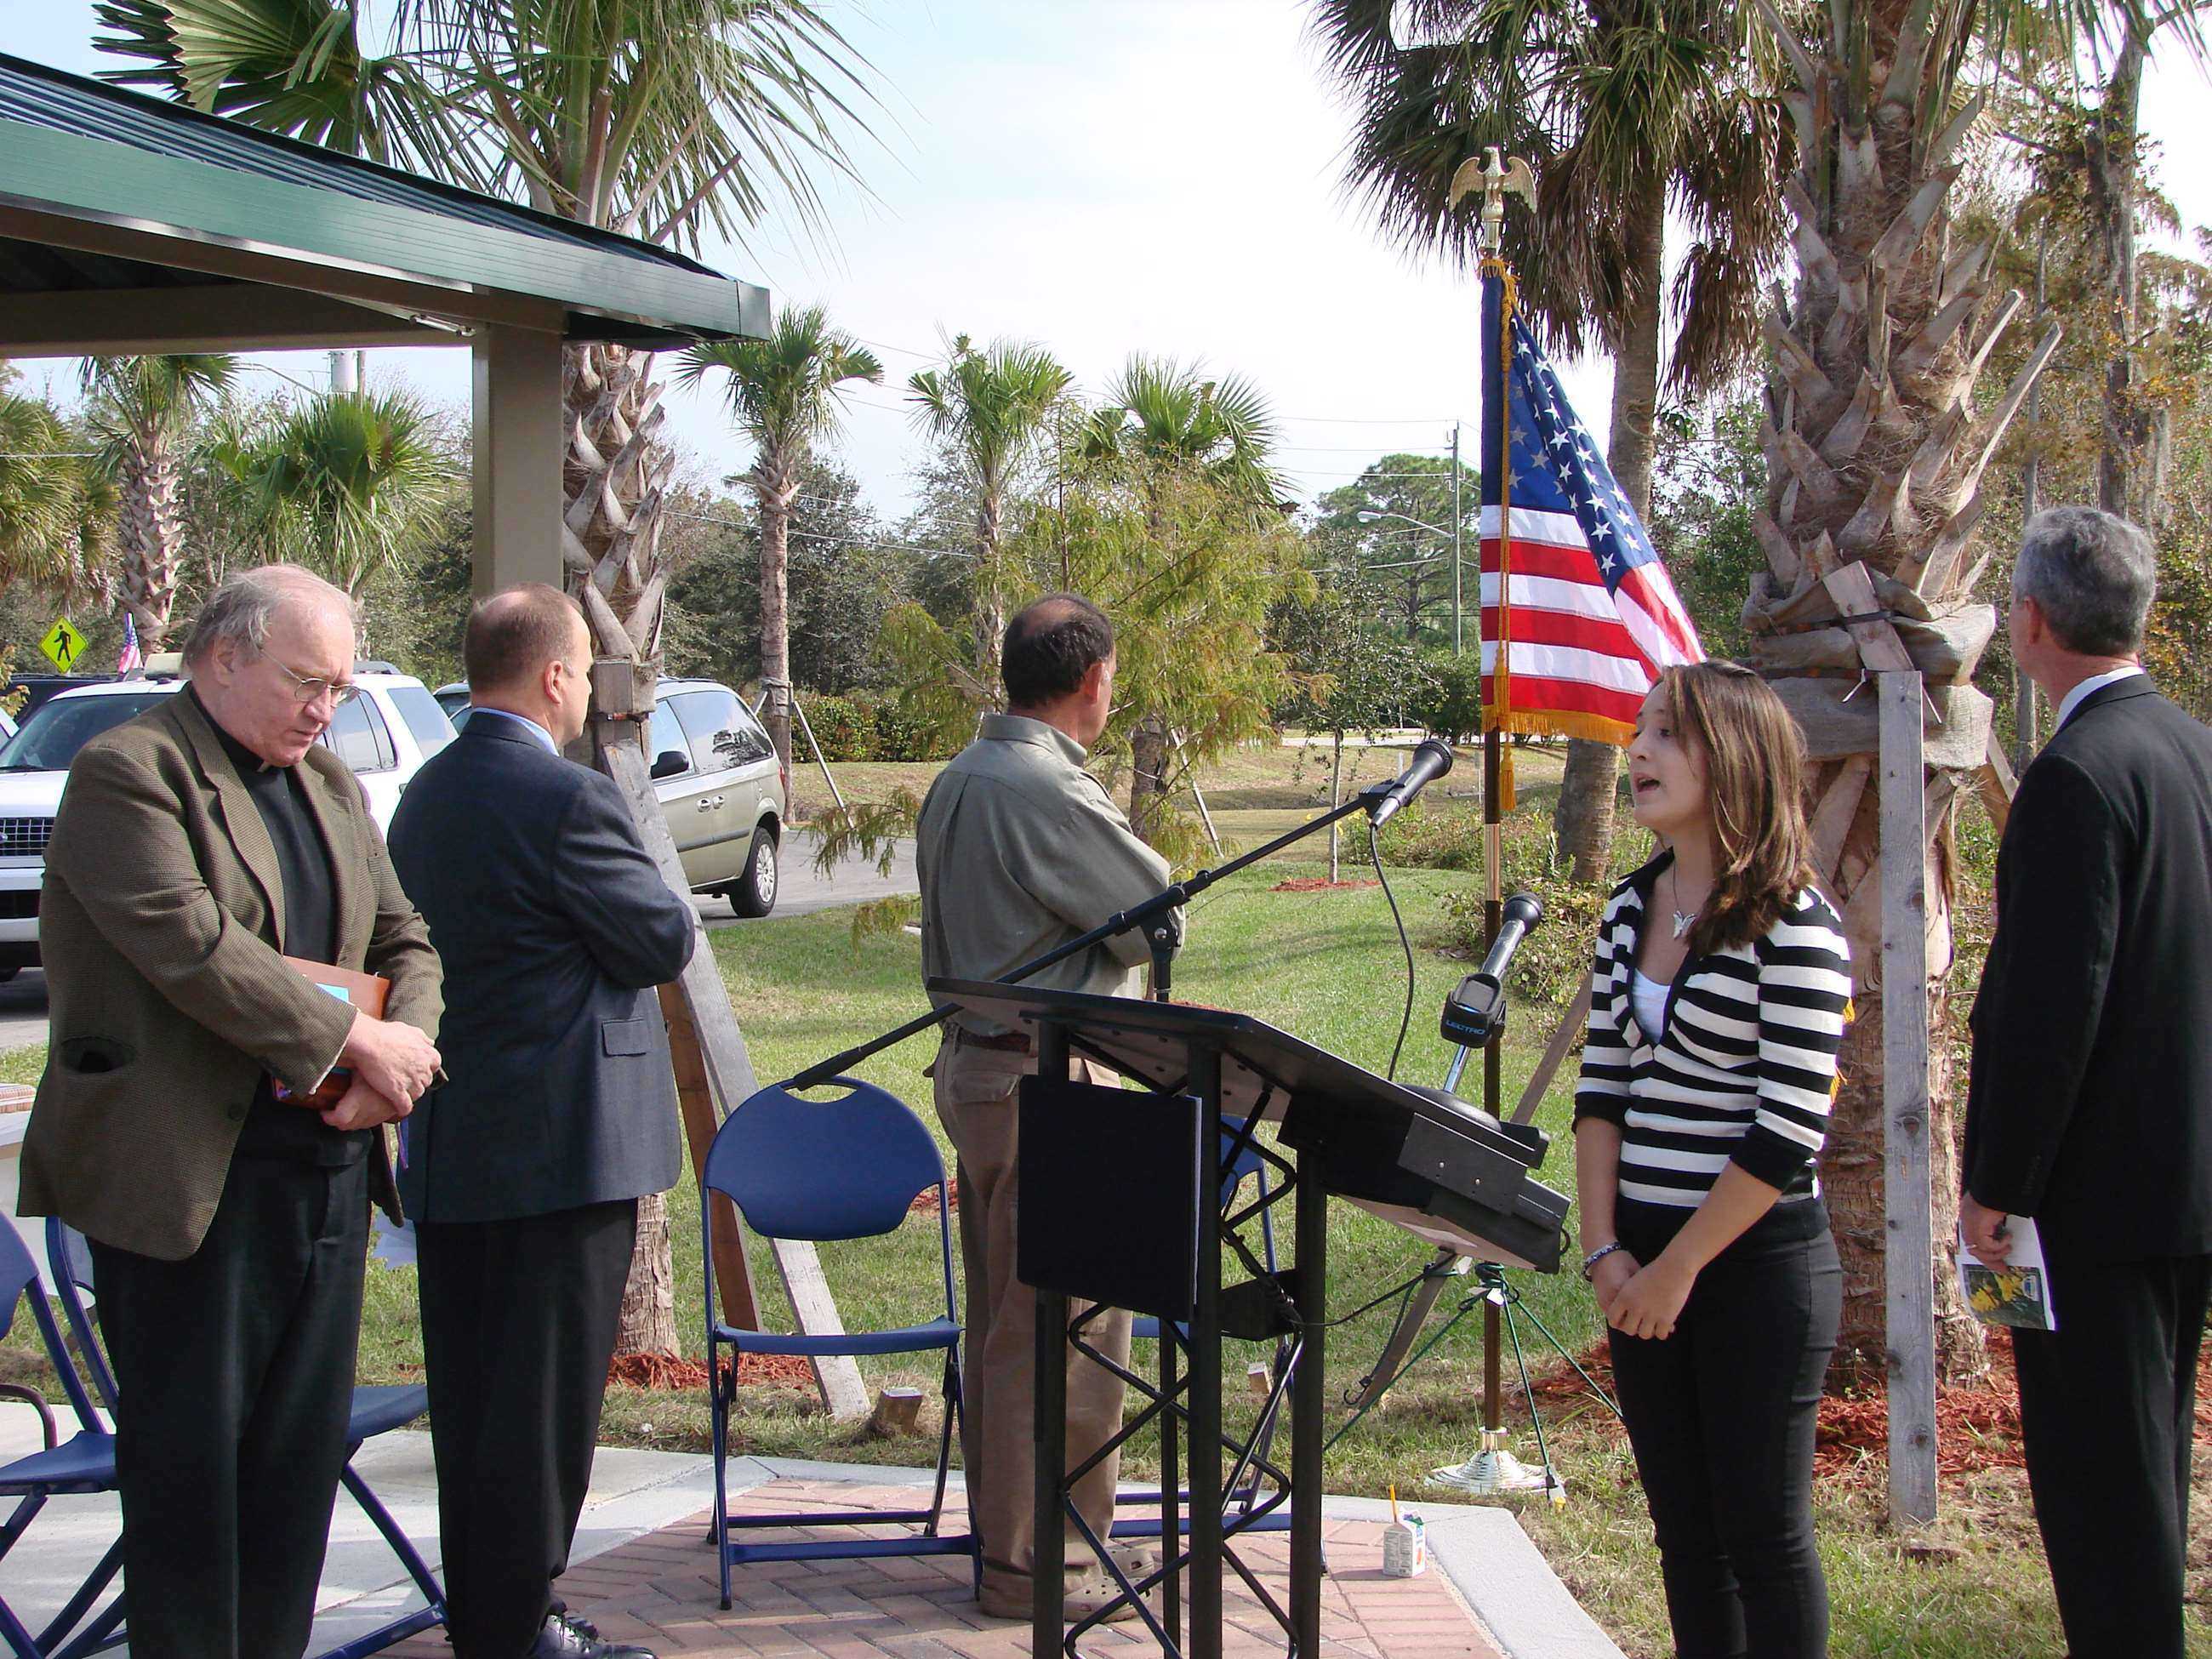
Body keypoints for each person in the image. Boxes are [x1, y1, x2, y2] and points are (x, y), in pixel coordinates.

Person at [20, 564, 444, 1658]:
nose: (324, 708)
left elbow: (406, 938)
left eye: (340, 689)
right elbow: (194, 949)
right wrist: (357, 1039)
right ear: (223, 655)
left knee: (293, 1479)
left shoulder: (332, 786)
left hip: (328, 1166)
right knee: (192, 1490)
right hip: (189, 1187)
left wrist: (400, 1058)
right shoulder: (130, 772)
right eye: (307, 681)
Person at [385, 585, 697, 1659]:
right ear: (557, 677)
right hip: (566, 1152)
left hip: (457, 1136)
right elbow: (658, 940)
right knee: (543, 1413)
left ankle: (489, 1617)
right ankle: (519, 1630)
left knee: (474, 1404)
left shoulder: (422, 795)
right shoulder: (566, 798)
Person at [1960, 507, 2212, 1659]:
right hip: (2185, 1186)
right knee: (2149, 1461)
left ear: (2029, 621)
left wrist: (1995, 1192)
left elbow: (2048, 1015)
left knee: (2099, 1487)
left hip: (2082, 1207)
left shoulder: (2074, 775)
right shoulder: (2194, 750)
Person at [1572, 659, 1852, 1659]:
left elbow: (1786, 1129)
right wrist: (1606, 1252)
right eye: (1637, 731)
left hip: (1751, 1266)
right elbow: (1600, 1090)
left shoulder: (1795, 923)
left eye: (1662, 735)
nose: (1635, 752)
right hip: (1636, 1262)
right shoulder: (1624, 909)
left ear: (1730, 758)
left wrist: (1677, 1270)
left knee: (1762, 1537)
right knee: (1685, 1539)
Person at [915, 593, 1180, 1623]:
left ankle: (1006, 1549)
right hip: (1047, 1080)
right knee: (1064, 1337)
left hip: (978, 1074)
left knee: (1006, 1328)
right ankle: (1042, 1571)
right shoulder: (1042, 786)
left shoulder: (957, 775)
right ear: (1091, 681)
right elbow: (1152, 914)